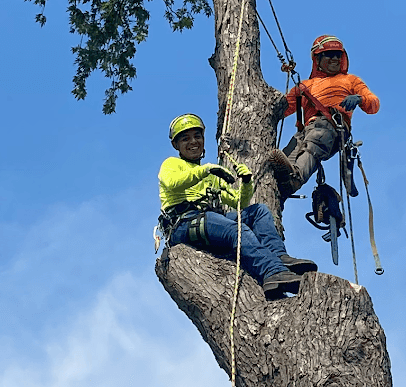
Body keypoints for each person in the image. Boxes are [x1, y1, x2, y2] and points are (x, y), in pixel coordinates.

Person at [158, 114, 316, 299]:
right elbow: (172, 183)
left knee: (258, 212)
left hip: (208, 221)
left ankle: (278, 256)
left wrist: (246, 183)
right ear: (176, 145)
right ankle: (272, 271)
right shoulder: (172, 164)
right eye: (186, 138)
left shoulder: (212, 176)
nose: (193, 141)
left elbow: (238, 202)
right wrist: (205, 170)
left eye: (197, 136)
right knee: (236, 229)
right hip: (184, 223)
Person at [269, 35, 380, 197]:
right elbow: (283, 108)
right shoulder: (305, 86)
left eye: (338, 54)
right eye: (329, 54)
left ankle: (296, 178)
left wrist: (360, 99)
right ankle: (277, 191)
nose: (335, 58)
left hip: (332, 127)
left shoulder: (350, 80)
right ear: (318, 59)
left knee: (315, 142)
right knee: (286, 158)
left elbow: (373, 104)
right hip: (306, 131)